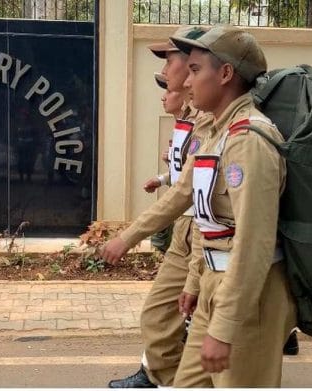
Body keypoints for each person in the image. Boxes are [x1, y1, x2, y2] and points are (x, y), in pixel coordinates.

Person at [102, 26, 296, 387]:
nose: (186, 84)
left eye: (194, 71)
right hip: (213, 282)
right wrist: (193, 281)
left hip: (248, 296)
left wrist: (224, 327)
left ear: (225, 74)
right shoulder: (216, 134)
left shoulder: (248, 142)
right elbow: (195, 209)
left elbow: (253, 242)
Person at [107, 26, 209, 388]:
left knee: (196, 329)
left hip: (205, 236)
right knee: (163, 318)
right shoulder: (198, 122)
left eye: (171, 64)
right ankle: (161, 378)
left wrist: (127, 237)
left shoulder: (215, 125)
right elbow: (183, 183)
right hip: (187, 230)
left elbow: (186, 193)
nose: (165, 76)